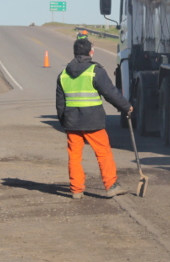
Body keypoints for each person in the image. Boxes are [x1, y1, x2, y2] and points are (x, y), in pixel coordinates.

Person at [56, 37, 133, 200]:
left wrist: (64, 122)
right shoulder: (95, 70)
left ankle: (76, 189)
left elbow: (60, 104)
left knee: (74, 156)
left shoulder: (63, 74)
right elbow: (110, 92)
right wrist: (126, 107)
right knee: (103, 153)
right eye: (93, 48)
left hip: (72, 123)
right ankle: (111, 185)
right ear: (90, 52)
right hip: (93, 122)